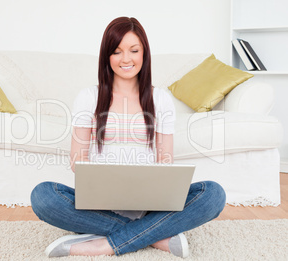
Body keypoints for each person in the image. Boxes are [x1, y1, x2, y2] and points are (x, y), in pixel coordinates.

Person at [30, 17, 226, 258]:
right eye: (117, 51)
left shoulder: (160, 99)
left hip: (148, 206)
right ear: (106, 56)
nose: (126, 59)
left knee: (213, 194)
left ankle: (104, 244)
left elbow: (165, 161)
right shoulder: (88, 97)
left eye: (134, 50)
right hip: (98, 205)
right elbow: (76, 161)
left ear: (144, 54)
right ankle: (154, 236)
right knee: (43, 196)